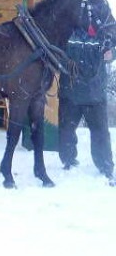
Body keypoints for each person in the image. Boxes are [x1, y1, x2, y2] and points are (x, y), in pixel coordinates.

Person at [58, 26, 115, 186]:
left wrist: (111, 54)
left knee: (100, 132)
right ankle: (68, 160)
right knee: (66, 129)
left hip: (94, 94)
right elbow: (55, 53)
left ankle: (105, 166)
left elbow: (111, 50)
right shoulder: (67, 31)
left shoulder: (103, 32)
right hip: (70, 93)